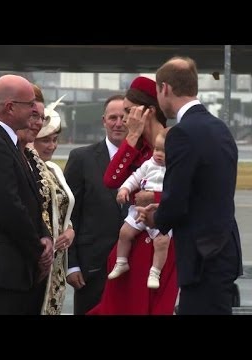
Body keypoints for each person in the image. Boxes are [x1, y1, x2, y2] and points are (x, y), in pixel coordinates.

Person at [136, 56, 243, 315]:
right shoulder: (219, 128)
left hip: (201, 257)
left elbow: (177, 198)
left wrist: (155, 216)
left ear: (165, 89)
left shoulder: (182, 133)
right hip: (223, 250)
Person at [88, 76, 178, 315]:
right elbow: (111, 180)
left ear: (148, 111)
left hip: (162, 247)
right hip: (134, 247)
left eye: (128, 111)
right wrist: (131, 137)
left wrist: (155, 198)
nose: (124, 119)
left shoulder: (172, 144)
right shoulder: (137, 148)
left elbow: (190, 192)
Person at [0, 74, 54, 315]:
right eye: (30, 104)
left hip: (15, 271)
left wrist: (45, 236)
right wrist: (39, 252)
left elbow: (31, 199)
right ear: (10, 107)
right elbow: (9, 209)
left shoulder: (10, 143)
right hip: (0, 273)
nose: (35, 109)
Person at [63, 94, 128, 315]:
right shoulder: (82, 159)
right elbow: (68, 214)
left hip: (132, 268)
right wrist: (70, 264)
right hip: (91, 271)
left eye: (124, 117)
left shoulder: (145, 160)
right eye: (113, 117)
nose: (119, 123)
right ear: (103, 121)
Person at [107, 127, 172, 290]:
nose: (158, 154)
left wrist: (155, 197)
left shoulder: (175, 170)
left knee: (162, 242)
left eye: (164, 151)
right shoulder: (148, 164)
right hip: (139, 211)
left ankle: (155, 272)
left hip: (161, 214)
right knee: (125, 232)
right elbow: (134, 178)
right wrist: (124, 189)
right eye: (156, 149)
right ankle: (121, 261)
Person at [29, 94, 75, 315]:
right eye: (46, 140)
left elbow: (63, 208)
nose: (52, 146)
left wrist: (70, 230)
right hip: (39, 259)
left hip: (57, 262)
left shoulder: (55, 169)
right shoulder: (28, 168)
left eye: (55, 139)